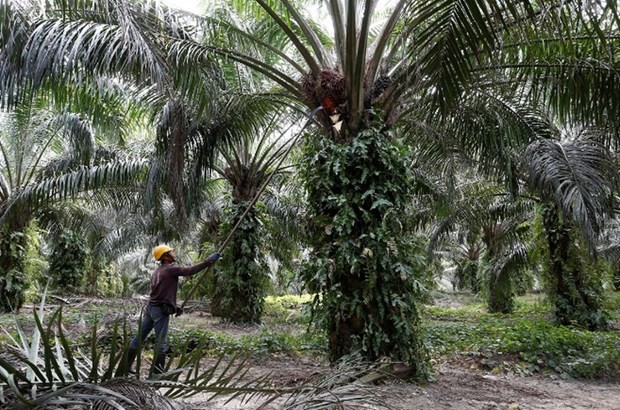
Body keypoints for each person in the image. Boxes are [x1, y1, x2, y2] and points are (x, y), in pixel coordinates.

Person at [126, 244, 221, 374]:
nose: (174, 253)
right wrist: (208, 261)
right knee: (161, 343)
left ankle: (125, 366)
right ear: (165, 256)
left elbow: (161, 294)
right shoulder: (170, 269)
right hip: (159, 311)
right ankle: (157, 374)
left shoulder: (157, 272)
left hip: (151, 309)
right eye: (171, 252)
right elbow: (190, 271)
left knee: (139, 337)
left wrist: (174, 307)